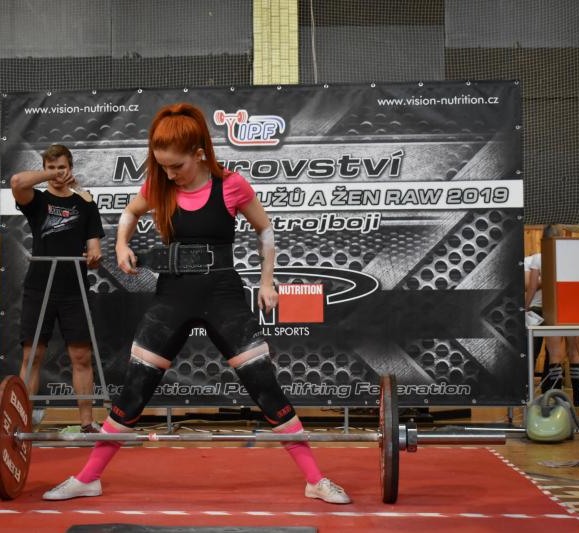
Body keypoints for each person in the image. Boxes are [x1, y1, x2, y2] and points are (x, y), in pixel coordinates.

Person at [42, 103, 351, 504]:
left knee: (265, 386)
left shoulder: (232, 185)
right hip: (172, 296)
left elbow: (265, 229)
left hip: (223, 295)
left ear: (199, 153)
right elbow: (130, 213)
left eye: (177, 166)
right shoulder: (160, 187)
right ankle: (88, 479)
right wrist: (120, 244)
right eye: (163, 166)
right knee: (134, 389)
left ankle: (315, 480)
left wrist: (267, 281)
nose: (170, 174)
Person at [10, 144, 105, 431]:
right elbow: (17, 182)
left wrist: (94, 256)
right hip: (40, 286)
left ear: (71, 168)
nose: (56, 172)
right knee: (32, 356)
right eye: (51, 167)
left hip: (74, 288)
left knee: (81, 356)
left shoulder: (85, 203)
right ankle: (23, 423)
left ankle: (87, 423)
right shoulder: (37, 200)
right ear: (44, 169)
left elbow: (94, 248)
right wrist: (49, 176)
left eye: (61, 167)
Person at [528, 225, 579, 405]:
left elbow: (533, 287)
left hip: (551, 308)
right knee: (574, 352)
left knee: (555, 354)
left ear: (543, 238)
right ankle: (577, 396)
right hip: (571, 308)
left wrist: (525, 307)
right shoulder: (571, 257)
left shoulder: (538, 258)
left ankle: (557, 396)